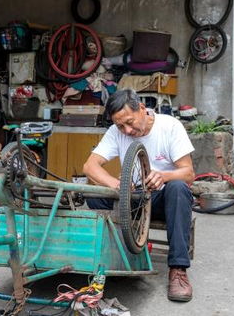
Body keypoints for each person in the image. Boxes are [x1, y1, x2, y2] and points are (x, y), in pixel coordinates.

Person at [82, 89, 195, 302]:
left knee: (178, 188)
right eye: (120, 126)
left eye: (130, 122)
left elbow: (189, 173)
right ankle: (113, 257)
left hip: (161, 198)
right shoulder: (117, 132)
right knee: (94, 194)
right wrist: (118, 185)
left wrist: (164, 176)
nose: (127, 130)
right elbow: (90, 166)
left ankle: (178, 270)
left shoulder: (169, 127)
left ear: (142, 109)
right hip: (131, 199)